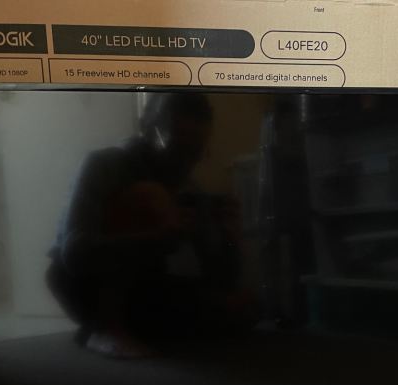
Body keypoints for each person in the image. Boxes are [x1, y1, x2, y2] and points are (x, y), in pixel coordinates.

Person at [46, 93, 256, 357]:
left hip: (145, 287)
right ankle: (104, 327)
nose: (184, 163)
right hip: (83, 285)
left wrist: (228, 241)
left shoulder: (189, 189)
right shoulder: (105, 165)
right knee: (150, 196)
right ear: (146, 128)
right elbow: (73, 253)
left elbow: (219, 281)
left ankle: (137, 327)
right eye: (175, 147)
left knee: (245, 308)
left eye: (195, 152)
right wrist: (154, 240)